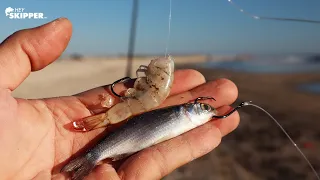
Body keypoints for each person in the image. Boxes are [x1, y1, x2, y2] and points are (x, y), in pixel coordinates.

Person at [0, 18, 240, 180]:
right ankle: (91, 158)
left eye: (202, 107)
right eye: (202, 106)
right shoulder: (178, 109)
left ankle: (91, 158)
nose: (205, 108)